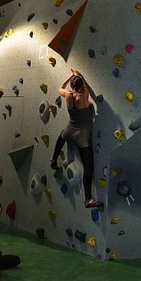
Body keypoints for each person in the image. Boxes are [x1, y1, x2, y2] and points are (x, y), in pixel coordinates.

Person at [50, 69, 102, 209]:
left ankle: (53, 160)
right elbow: (92, 95)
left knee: (61, 136)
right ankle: (88, 199)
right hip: (81, 136)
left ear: (72, 87)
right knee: (89, 167)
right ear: (81, 86)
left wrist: (70, 77)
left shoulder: (68, 95)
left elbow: (59, 88)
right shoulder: (83, 96)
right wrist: (81, 76)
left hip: (69, 131)